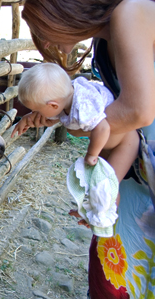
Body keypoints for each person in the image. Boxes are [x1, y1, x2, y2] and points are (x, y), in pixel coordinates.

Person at [21, 0, 155, 299]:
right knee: (114, 238)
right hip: (142, 160)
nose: (49, 42)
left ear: (63, 14)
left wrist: (81, 128)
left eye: (45, 30)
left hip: (146, 150)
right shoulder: (106, 36)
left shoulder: (128, 14)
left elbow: (139, 110)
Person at [12, 63, 139, 237]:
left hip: (123, 143)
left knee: (107, 186)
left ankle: (103, 217)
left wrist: (92, 154)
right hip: (107, 144)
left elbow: (102, 128)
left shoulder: (83, 105)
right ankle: (90, 213)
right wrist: (33, 118)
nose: (36, 113)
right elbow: (62, 116)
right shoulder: (66, 98)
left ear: (53, 105)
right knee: (95, 185)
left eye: (36, 109)